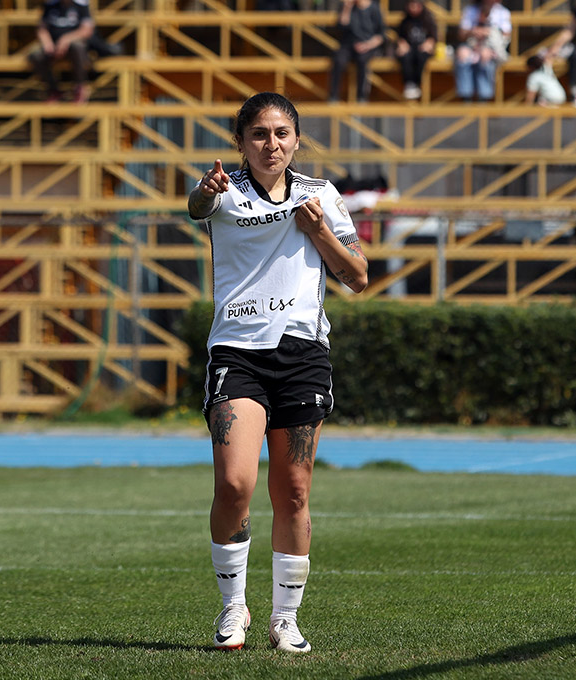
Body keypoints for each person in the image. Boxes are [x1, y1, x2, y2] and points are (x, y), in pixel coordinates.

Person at [187, 92, 368, 654]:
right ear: (240, 142)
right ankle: (231, 607)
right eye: (259, 134)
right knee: (235, 484)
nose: (272, 144)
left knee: (292, 491)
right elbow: (196, 208)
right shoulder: (224, 192)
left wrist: (319, 233)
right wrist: (204, 189)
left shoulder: (321, 195)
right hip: (237, 354)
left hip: (302, 357)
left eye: (282, 133)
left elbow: (357, 276)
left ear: (296, 138)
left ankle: (285, 618)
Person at [29, 0, 95, 103]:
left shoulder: (81, 4)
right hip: (53, 45)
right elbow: (42, 28)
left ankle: (80, 86)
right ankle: (53, 90)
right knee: (35, 54)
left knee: (77, 47)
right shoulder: (51, 5)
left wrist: (66, 40)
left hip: (72, 44)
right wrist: (47, 43)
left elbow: (87, 30)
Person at [327, 0, 385, 102]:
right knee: (338, 59)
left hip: (368, 45)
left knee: (362, 60)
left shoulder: (374, 8)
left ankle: (361, 96)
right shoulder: (349, 7)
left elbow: (381, 35)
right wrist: (347, 8)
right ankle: (333, 96)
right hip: (349, 45)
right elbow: (342, 25)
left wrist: (367, 45)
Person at [453, 0, 511, 102]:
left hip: (492, 46)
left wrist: (489, 32)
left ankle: (484, 97)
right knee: (462, 53)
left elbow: (506, 35)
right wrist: (473, 31)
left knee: (485, 55)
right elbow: (461, 34)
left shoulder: (502, 12)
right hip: (471, 45)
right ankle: (466, 96)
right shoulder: (470, 10)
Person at [394, 0, 438, 101]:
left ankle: (418, 83)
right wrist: (402, 44)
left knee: (421, 56)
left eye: (416, 6)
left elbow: (433, 38)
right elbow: (400, 37)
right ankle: (409, 83)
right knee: (405, 56)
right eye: (411, 6)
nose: (414, 9)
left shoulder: (428, 20)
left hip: (422, 48)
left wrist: (429, 44)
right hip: (409, 48)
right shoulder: (405, 20)